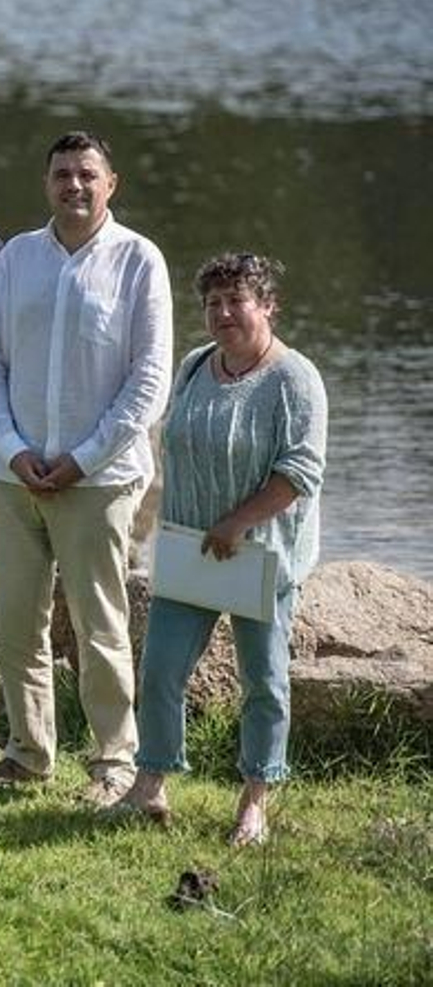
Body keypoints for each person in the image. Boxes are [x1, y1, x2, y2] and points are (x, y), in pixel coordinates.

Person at [0, 131, 173, 805]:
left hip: (100, 480)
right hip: (11, 478)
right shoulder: (17, 259)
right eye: (61, 174)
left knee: (99, 624)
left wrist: (82, 459)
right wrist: (11, 448)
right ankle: (28, 753)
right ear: (46, 183)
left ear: (111, 183)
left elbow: (150, 381)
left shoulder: (139, 260)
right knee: (16, 623)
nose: (73, 186)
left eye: (87, 174)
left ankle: (115, 762)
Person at [119, 253, 327, 845]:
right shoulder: (193, 366)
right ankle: (150, 786)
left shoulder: (295, 379)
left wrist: (236, 522)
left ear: (267, 306)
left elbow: (300, 472)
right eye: (213, 303)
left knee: (263, 680)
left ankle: (255, 801)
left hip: (263, 558)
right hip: (189, 551)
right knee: (159, 671)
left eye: (237, 300)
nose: (224, 312)